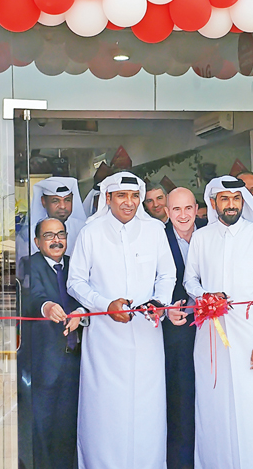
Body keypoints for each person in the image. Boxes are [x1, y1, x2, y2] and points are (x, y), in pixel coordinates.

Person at [67, 172, 178, 469]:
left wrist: (159, 302)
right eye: (121, 196)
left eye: (133, 196)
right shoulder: (91, 232)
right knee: (105, 411)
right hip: (105, 339)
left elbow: (167, 275)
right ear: (108, 198)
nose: (129, 203)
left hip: (147, 336)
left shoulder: (155, 230)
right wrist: (105, 305)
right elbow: (75, 282)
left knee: (147, 410)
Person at [184, 177, 253, 469]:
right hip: (210, 336)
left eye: (236, 199)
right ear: (214, 202)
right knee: (214, 405)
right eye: (225, 199)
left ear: (244, 201)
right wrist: (203, 295)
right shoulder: (201, 237)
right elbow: (189, 279)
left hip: (250, 334)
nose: (231, 204)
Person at [18, 217, 84, 469]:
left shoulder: (75, 264)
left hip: (75, 357)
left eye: (61, 235)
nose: (56, 240)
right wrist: (47, 306)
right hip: (44, 361)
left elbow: (86, 294)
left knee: (69, 423)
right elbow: (31, 296)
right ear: (37, 241)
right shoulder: (27, 264)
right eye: (49, 236)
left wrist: (80, 312)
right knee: (42, 424)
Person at [162, 187, 198, 469]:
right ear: (166, 212)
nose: (183, 215)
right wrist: (164, 309)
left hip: (213, 332)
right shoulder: (156, 238)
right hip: (176, 335)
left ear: (197, 209)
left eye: (188, 208)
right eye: (176, 209)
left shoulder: (212, 234)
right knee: (181, 400)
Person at [30, 176, 87, 255]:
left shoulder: (83, 229)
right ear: (43, 201)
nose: (63, 206)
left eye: (67, 200)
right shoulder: (31, 233)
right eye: (55, 201)